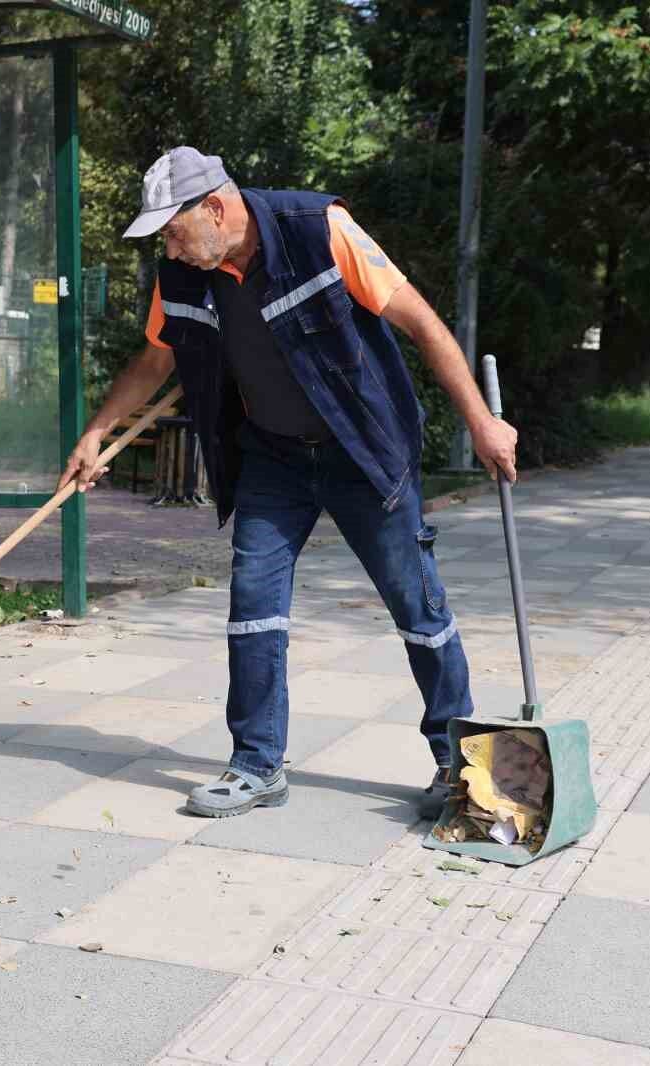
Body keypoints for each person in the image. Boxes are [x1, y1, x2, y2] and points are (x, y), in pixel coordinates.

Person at [58, 147, 518, 819]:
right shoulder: (185, 273)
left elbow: (420, 322)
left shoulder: (318, 228)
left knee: (416, 609)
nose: (169, 246)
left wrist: (481, 422)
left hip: (362, 448)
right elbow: (157, 359)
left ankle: (457, 761)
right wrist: (97, 431)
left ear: (213, 208)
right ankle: (256, 764)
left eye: (173, 229)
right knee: (254, 608)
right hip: (272, 454)